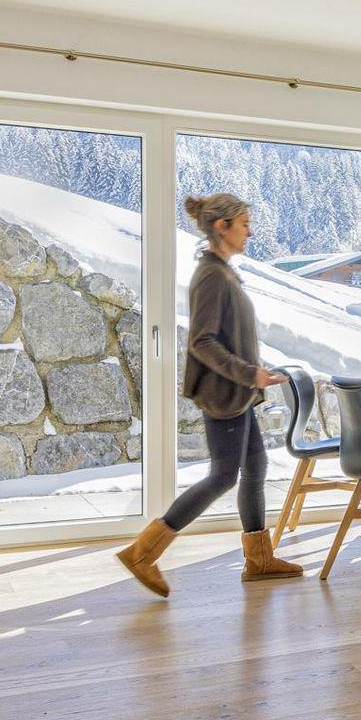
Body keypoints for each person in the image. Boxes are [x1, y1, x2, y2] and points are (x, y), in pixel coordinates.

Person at [116, 193, 304, 596]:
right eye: (245, 224)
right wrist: (249, 373)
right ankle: (143, 553)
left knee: (255, 468)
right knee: (223, 476)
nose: (250, 232)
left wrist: (253, 375)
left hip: (238, 392)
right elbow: (202, 342)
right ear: (223, 226)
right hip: (225, 392)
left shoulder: (222, 271)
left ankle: (259, 559)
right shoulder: (212, 276)